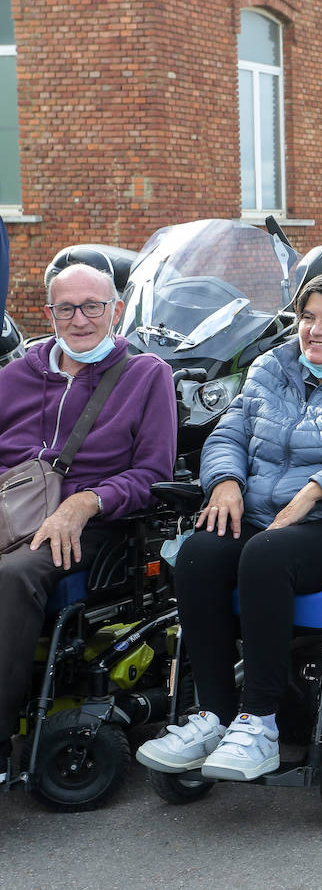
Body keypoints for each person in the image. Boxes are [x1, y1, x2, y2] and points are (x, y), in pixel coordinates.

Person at [136, 269, 322, 780]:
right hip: (266, 513)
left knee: (266, 555)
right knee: (199, 554)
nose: (314, 329)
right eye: (307, 317)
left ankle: (260, 723)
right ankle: (214, 715)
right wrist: (225, 481)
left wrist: (318, 488)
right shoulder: (272, 365)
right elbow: (229, 431)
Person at [0, 264, 175, 777]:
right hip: (10, 513)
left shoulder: (146, 375)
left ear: (115, 311)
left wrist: (84, 503)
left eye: (92, 306)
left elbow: (152, 474)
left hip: (93, 526)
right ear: (48, 313)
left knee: (11, 579)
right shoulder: (15, 375)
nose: (80, 319)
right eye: (66, 308)